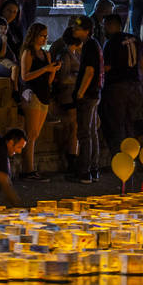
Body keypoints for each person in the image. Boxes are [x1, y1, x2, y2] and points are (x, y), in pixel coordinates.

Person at [19, 23, 59, 181]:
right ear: (34, 36)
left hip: (44, 94)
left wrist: (53, 70)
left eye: (46, 36)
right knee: (31, 133)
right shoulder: (28, 53)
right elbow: (25, 76)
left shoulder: (46, 54)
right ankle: (27, 169)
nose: (45, 38)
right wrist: (45, 69)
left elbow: (49, 80)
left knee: (36, 134)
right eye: (42, 35)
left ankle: (30, 168)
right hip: (31, 94)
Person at [100, 13, 143, 155]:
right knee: (131, 123)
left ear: (111, 25)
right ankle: (132, 154)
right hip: (135, 85)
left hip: (117, 87)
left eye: (105, 26)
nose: (103, 29)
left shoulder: (111, 42)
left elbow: (107, 67)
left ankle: (119, 157)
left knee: (116, 123)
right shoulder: (135, 39)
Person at [71, 15, 103, 183]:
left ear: (86, 30)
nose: (74, 30)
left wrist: (80, 92)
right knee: (92, 132)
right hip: (95, 93)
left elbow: (89, 71)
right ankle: (94, 168)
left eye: (77, 28)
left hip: (88, 94)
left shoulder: (89, 45)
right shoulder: (94, 44)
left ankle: (84, 171)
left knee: (84, 133)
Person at [50, 27, 83, 176]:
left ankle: (73, 155)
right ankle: (71, 158)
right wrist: (79, 78)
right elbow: (63, 78)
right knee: (73, 127)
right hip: (68, 95)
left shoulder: (76, 53)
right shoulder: (65, 54)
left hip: (75, 95)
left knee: (75, 128)